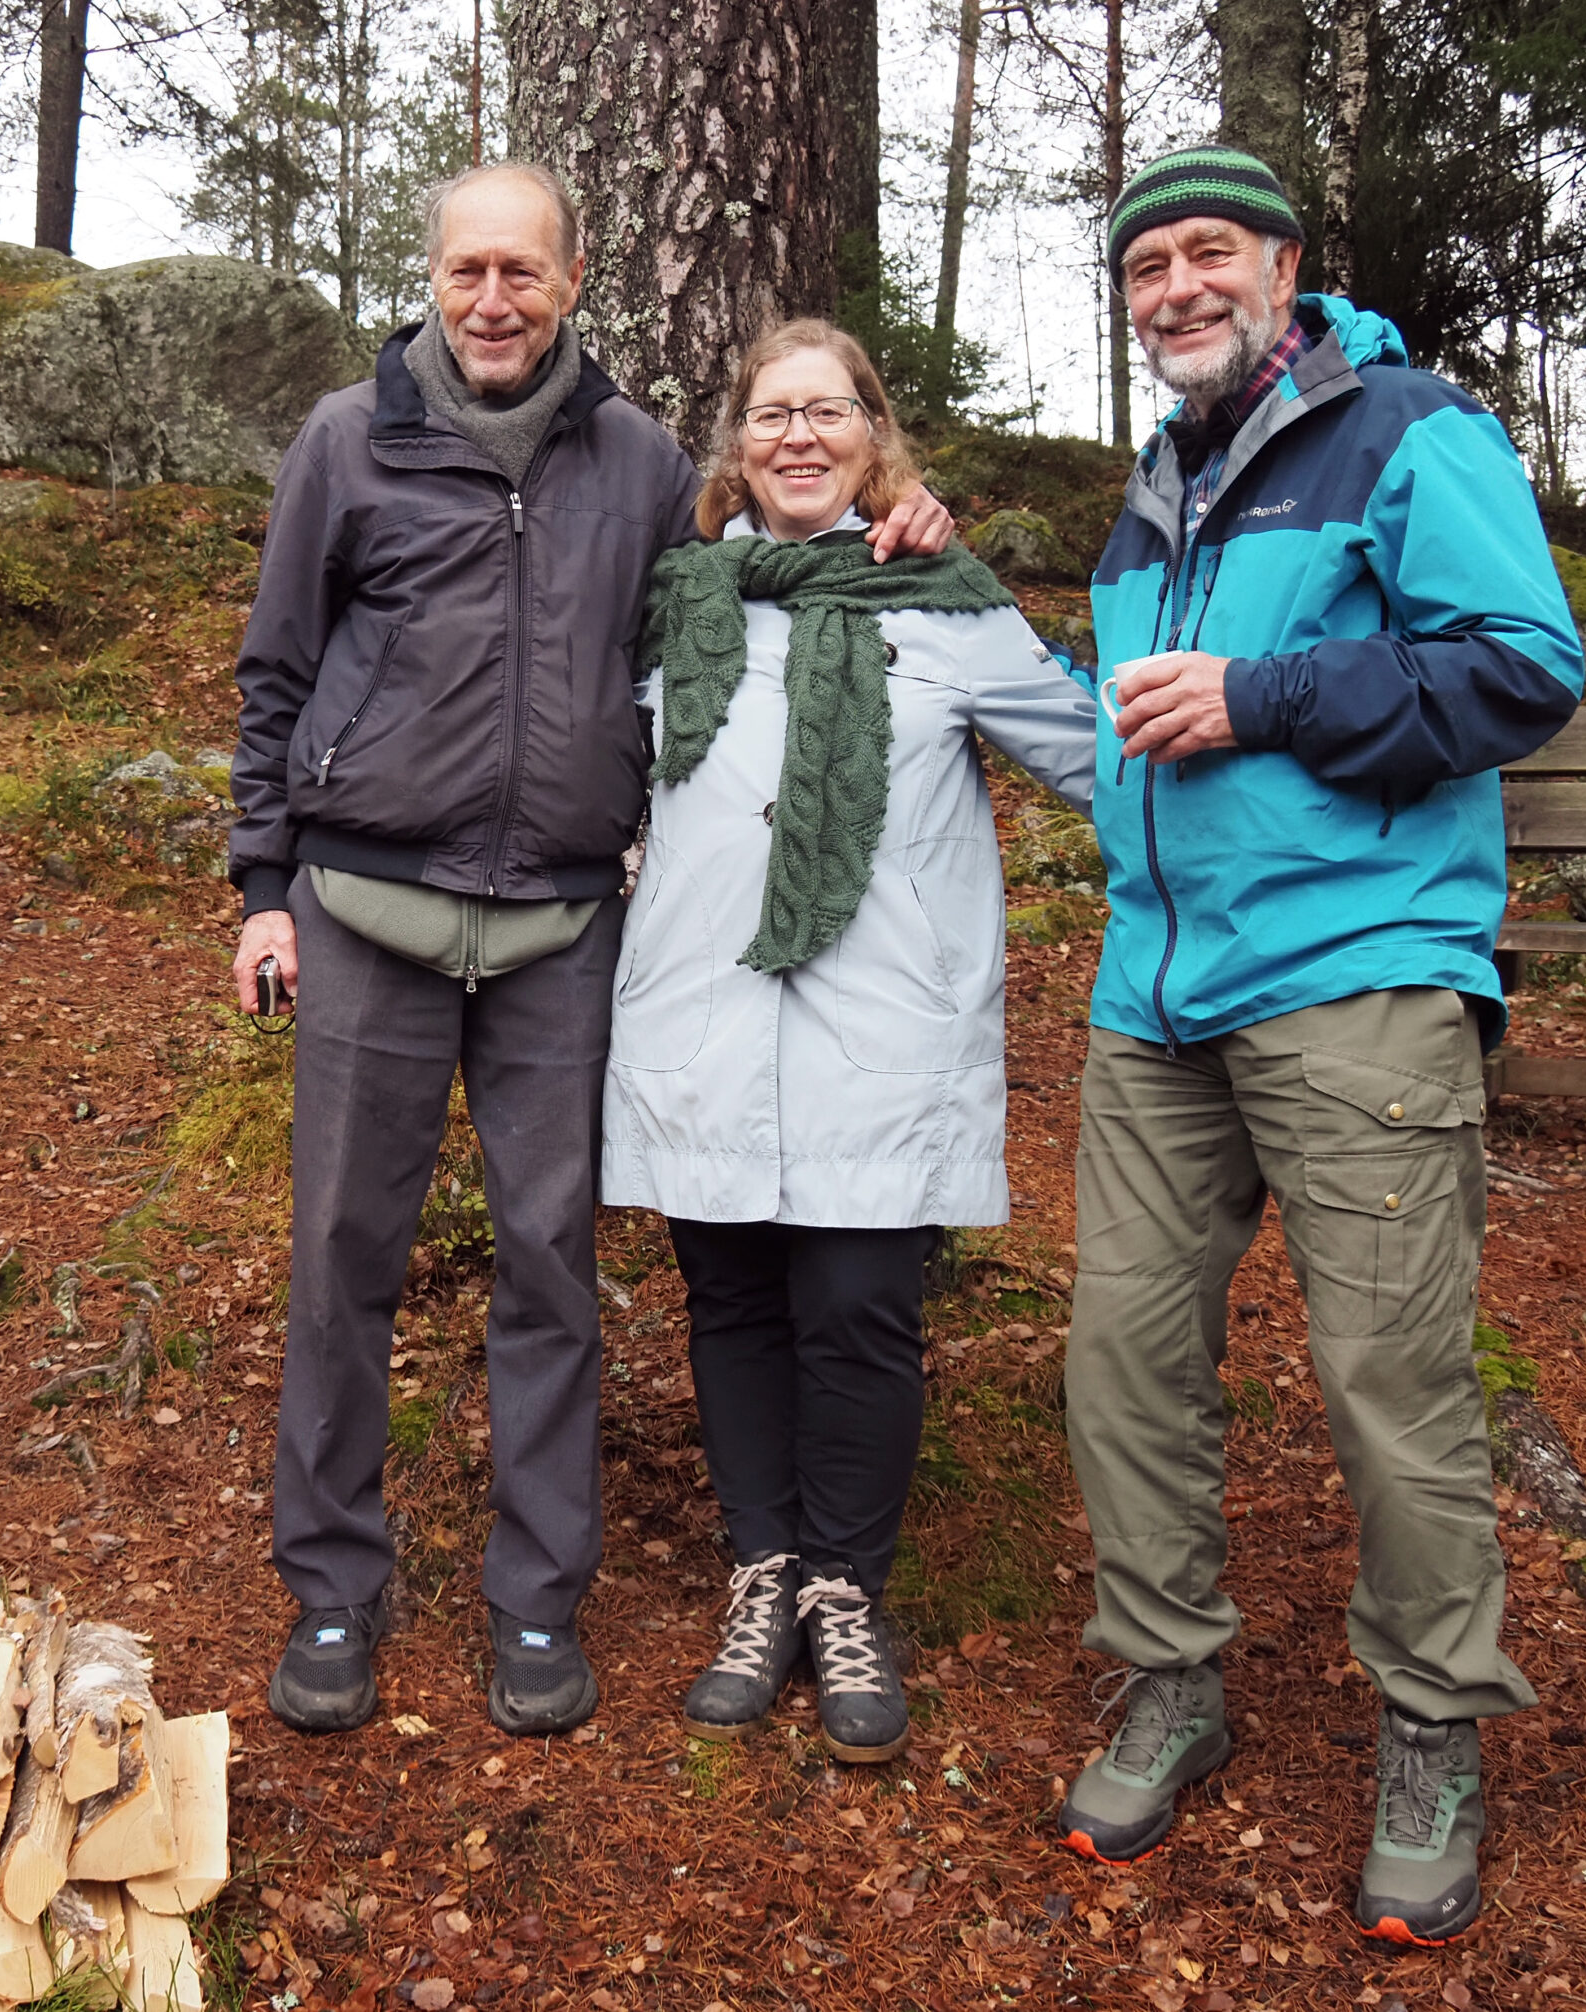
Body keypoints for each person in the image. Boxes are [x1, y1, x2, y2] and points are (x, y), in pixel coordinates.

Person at [227, 160, 957, 1737]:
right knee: (345, 1263)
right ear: (431, 275)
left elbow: (769, 569)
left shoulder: (636, 465)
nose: (494, 300)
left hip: (566, 927)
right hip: (363, 911)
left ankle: (538, 1601)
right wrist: (260, 885)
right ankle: (334, 1591)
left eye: (524, 273)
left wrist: (904, 518)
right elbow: (276, 671)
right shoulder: (346, 444)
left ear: (576, 278)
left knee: (554, 1272)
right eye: (467, 270)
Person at [1052, 148, 1583, 1946]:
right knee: (1122, 1362)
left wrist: (1263, 697)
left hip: (1355, 978)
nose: (1178, 288)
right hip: (1154, 997)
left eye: (1212, 254)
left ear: (1285, 266)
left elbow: (1521, 664)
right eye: (1149, 268)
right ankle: (1173, 1679)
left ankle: (1435, 1725)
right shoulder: (1151, 494)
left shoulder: (1409, 428)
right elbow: (1114, 725)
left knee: (1389, 1384)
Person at [604, 318, 1096, 1761]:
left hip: (883, 1028)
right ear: (736, 443)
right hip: (703, 1013)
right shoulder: (677, 603)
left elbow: (1094, 762)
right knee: (735, 1305)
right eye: (771, 415)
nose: (798, 437)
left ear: (876, 439)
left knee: (863, 1313)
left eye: (828, 412)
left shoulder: (950, 606)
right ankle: (763, 1573)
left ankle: (844, 1589)